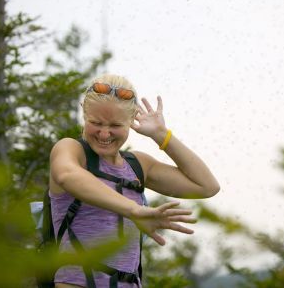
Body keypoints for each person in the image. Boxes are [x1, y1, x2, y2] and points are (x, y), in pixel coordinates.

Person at [49, 74, 220, 288]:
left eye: (115, 125)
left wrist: (161, 135)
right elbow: (67, 175)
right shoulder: (71, 150)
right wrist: (134, 210)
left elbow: (206, 186)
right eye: (95, 123)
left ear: (131, 121)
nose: (104, 133)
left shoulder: (138, 165)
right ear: (84, 113)